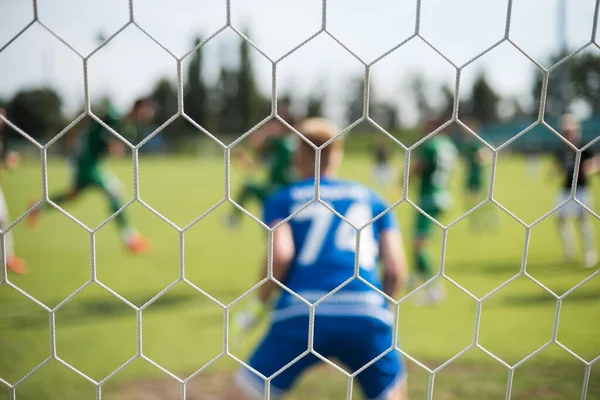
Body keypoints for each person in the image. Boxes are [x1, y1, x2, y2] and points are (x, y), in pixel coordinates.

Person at [229, 118, 409, 400]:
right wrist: (379, 312)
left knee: (245, 392)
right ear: (338, 154)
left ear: (298, 154)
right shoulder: (372, 199)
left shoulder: (283, 198)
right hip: (365, 310)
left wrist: (257, 306)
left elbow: (281, 255)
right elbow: (396, 269)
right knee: (392, 392)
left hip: (303, 312)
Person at [27, 98, 154, 253]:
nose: (148, 114)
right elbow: (96, 119)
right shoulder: (114, 116)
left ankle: (37, 207)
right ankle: (130, 239)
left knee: (73, 195)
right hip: (86, 161)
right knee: (114, 191)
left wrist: (113, 148)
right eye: (146, 109)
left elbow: (113, 149)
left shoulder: (130, 129)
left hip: (92, 162)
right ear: (138, 108)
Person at [410, 117, 458, 305]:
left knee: (419, 243)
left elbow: (420, 167)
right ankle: (415, 276)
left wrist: (405, 178)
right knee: (421, 239)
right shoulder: (449, 145)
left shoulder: (430, 145)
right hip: (443, 195)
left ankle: (434, 289)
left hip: (428, 197)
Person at [226, 104, 297, 227]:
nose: (269, 128)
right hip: (276, 189)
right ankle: (234, 218)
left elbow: (259, 142)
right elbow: (254, 166)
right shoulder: (278, 147)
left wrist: (259, 140)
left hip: (280, 191)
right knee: (248, 188)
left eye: (274, 124)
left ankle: (234, 219)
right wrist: (243, 159)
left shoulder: (283, 143)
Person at [554, 114, 599, 267]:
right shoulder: (561, 150)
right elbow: (560, 167)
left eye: (569, 131)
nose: (567, 134)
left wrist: (590, 168)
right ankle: (569, 249)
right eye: (564, 131)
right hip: (566, 189)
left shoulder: (583, 146)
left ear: (576, 130)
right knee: (560, 220)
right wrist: (555, 172)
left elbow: (596, 161)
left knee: (582, 221)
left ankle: (589, 253)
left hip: (581, 189)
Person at [0, 107, 27, 274]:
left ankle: (8, 258)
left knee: (3, 221)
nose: (3, 118)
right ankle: (7, 258)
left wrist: (10, 161)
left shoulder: (2, 139)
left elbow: (7, 163)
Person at [459, 117, 496, 232]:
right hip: (469, 176)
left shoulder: (480, 140)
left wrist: (481, 157)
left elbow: (488, 154)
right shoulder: (466, 143)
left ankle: (491, 219)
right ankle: (475, 222)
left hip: (479, 176)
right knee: (469, 201)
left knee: (484, 201)